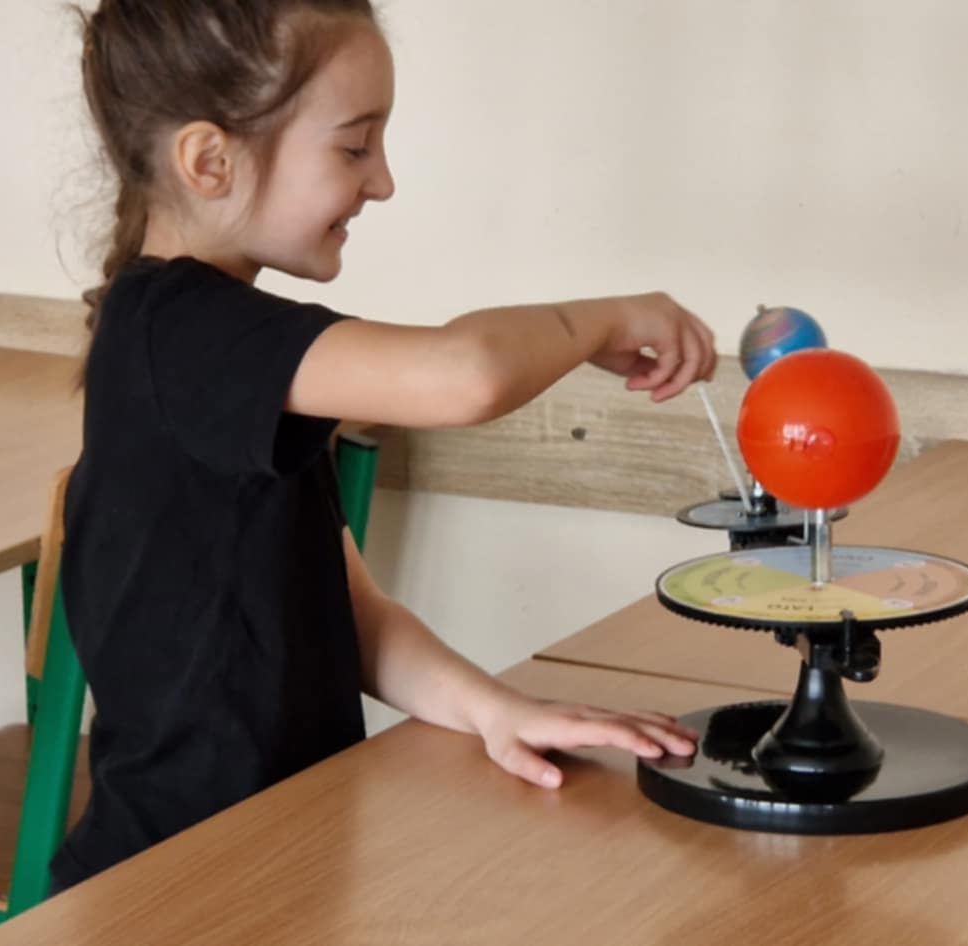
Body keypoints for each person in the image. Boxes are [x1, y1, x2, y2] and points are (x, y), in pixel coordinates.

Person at [52, 0, 709, 893]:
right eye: (355, 147)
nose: (384, 181)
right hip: (171, 891)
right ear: (211, 162)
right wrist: (602, 320)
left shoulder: (234, 354)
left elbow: (350, 611)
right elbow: (465, 375)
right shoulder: (181, 333)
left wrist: (497, 712)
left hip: (281, 865)